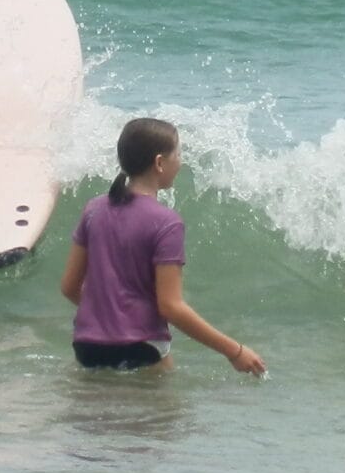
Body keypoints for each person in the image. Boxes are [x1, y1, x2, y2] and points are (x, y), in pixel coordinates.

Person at [60, 117, 265, 375]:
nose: (180, 161)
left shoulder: (94, 210)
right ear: (159, 163)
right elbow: (171, 307)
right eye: (177, 154)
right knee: (165, 415)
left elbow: (69, 287)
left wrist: (109, 318)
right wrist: (234, 351)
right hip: (140, 348)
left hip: (87, 346)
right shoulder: (166, 222)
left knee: (98, 414)